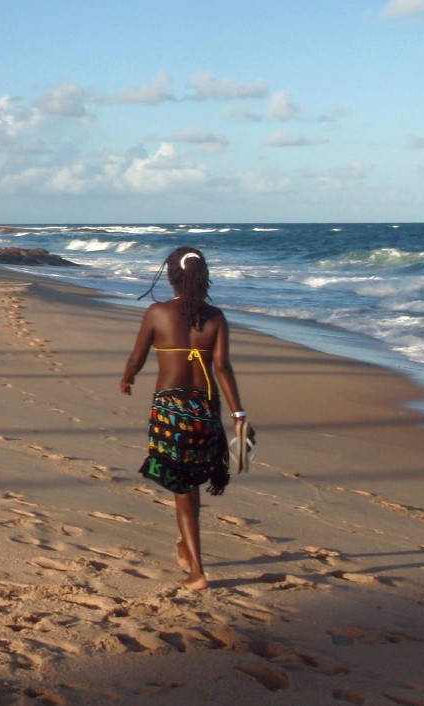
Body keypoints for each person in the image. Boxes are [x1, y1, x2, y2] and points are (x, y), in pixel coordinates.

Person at [120, 246, 248, 590]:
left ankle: (197, 573)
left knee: (183, 490)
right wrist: (238, 414)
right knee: (190, 487)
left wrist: (127, 378)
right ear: (201, 278)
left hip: (169, 411)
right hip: (205, 411)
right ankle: (184, 545)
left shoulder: (157, 313)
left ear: (172, 277)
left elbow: (137, 356)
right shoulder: (216, 317)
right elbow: (222, 367)